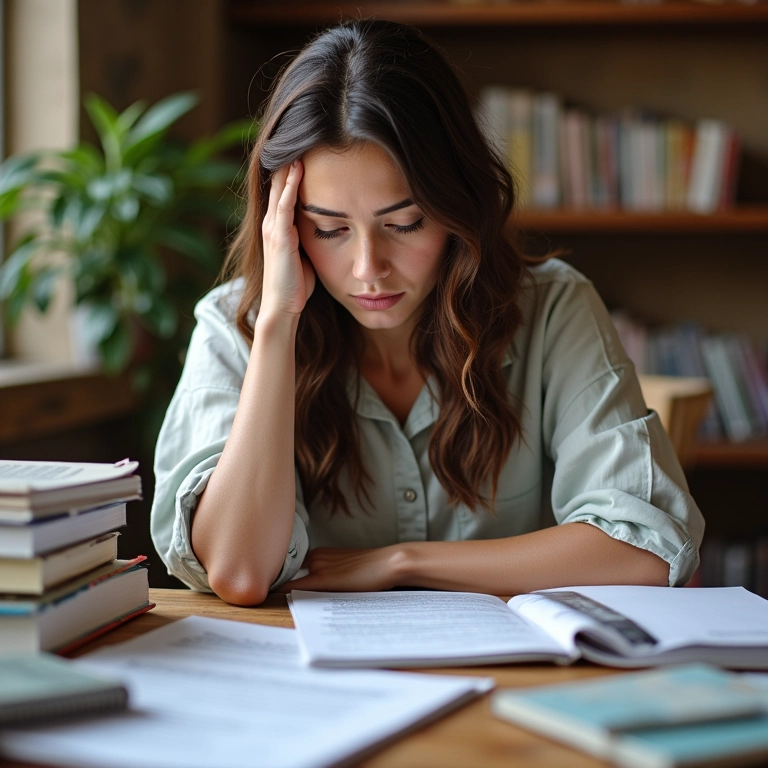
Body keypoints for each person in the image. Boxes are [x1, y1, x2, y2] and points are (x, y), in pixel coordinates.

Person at [150, 19, 704, 606]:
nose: (368, 267)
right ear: (284, 226)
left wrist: (399, 563)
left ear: (457, 202)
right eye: (328, 229)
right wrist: (279, 323)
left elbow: (643, 552)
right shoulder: (236, 327)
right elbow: (239, 571)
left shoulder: (554, 309)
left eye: (404, 223)